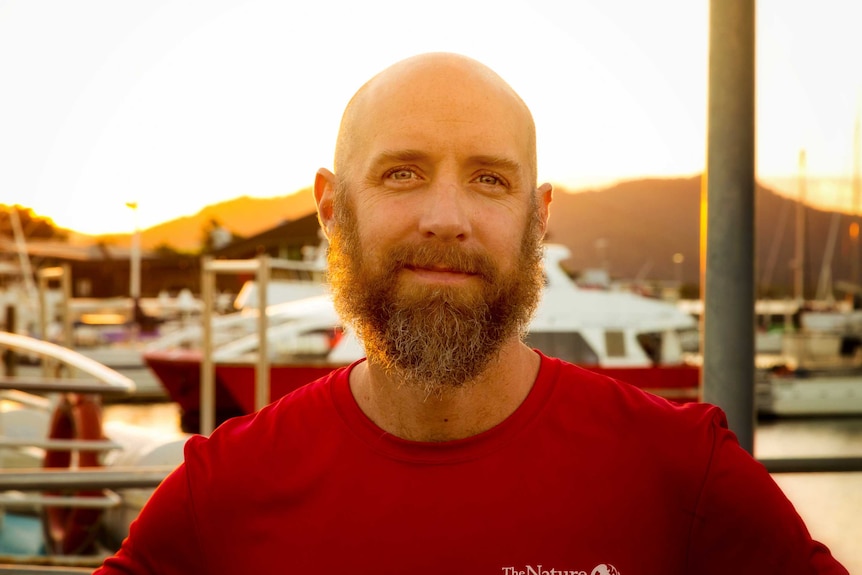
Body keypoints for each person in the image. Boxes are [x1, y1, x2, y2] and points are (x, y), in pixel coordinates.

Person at [94, 53, 848, 574]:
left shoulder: (684, 472)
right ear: (331, 207)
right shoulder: (219, 492)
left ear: (538, 215)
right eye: (402, 172)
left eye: (489, 179)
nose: (446, 217)